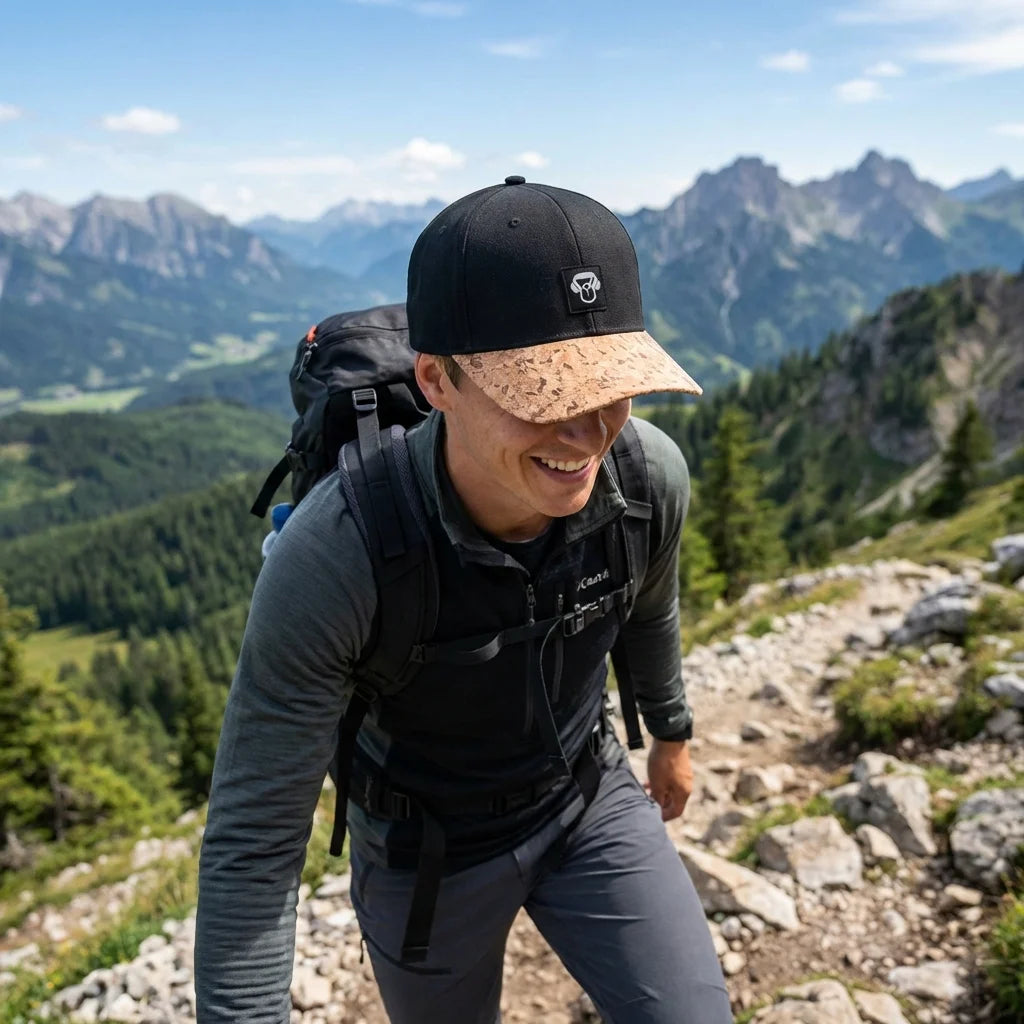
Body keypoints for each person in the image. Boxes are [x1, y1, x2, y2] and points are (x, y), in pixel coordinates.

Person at [196, 177, 733, 1023]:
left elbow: (646, 607)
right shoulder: (337, 555)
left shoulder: (646, 476)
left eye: (614, 386)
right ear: (437, 380)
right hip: (424, 857)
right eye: (544, 394)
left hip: (587, 798)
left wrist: (671, 734)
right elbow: (254, 844)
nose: (590, 432)